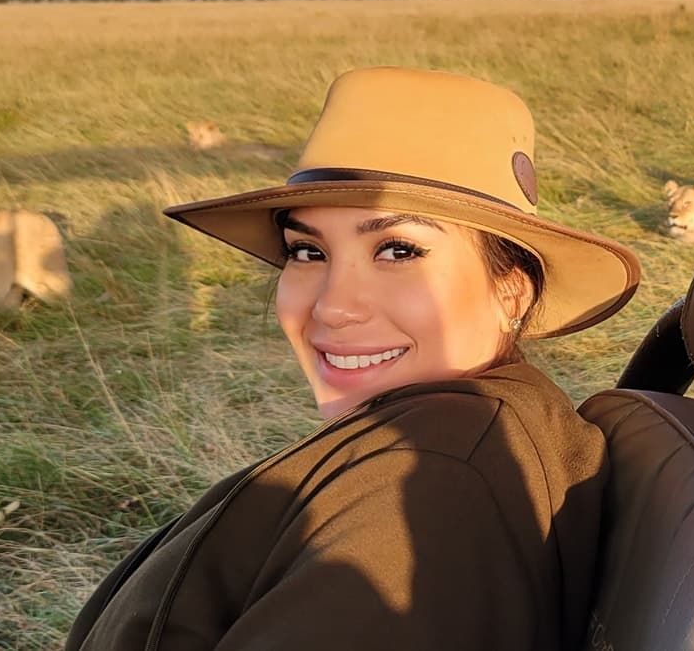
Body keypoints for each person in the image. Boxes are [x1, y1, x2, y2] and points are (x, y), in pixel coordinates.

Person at [66, 67, 642, 651]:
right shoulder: (479, 425)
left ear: (511, 291)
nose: (334, 307)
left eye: (397, 249)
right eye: (307, 250)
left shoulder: (429, 478)